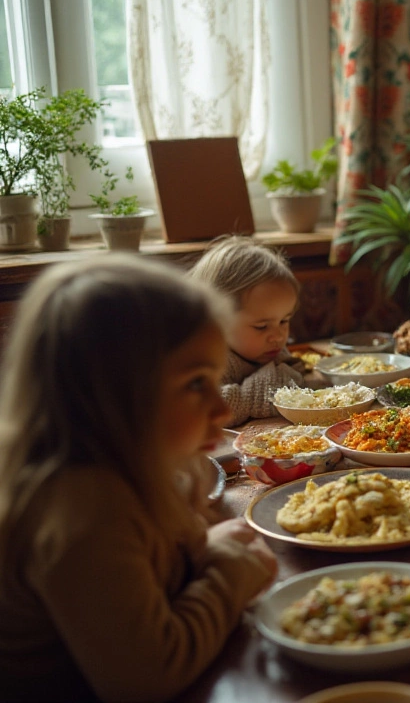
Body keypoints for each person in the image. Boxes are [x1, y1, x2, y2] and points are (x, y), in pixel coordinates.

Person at [0, 256, 278, 702]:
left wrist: (205, 547)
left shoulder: (143, 462)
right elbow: (147, 677)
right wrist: (230, 572)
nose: (223, 410)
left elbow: (158, 562)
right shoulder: (81, 508)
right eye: (195, 384)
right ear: (108, 396)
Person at [189, 236, 311, 425]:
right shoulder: (207, 361)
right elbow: (203, 409)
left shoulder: (270, 349)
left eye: (284, 321)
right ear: (217, 321)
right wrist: (254, 395)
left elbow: (295, 376)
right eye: (261, 326)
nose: (278, 336)